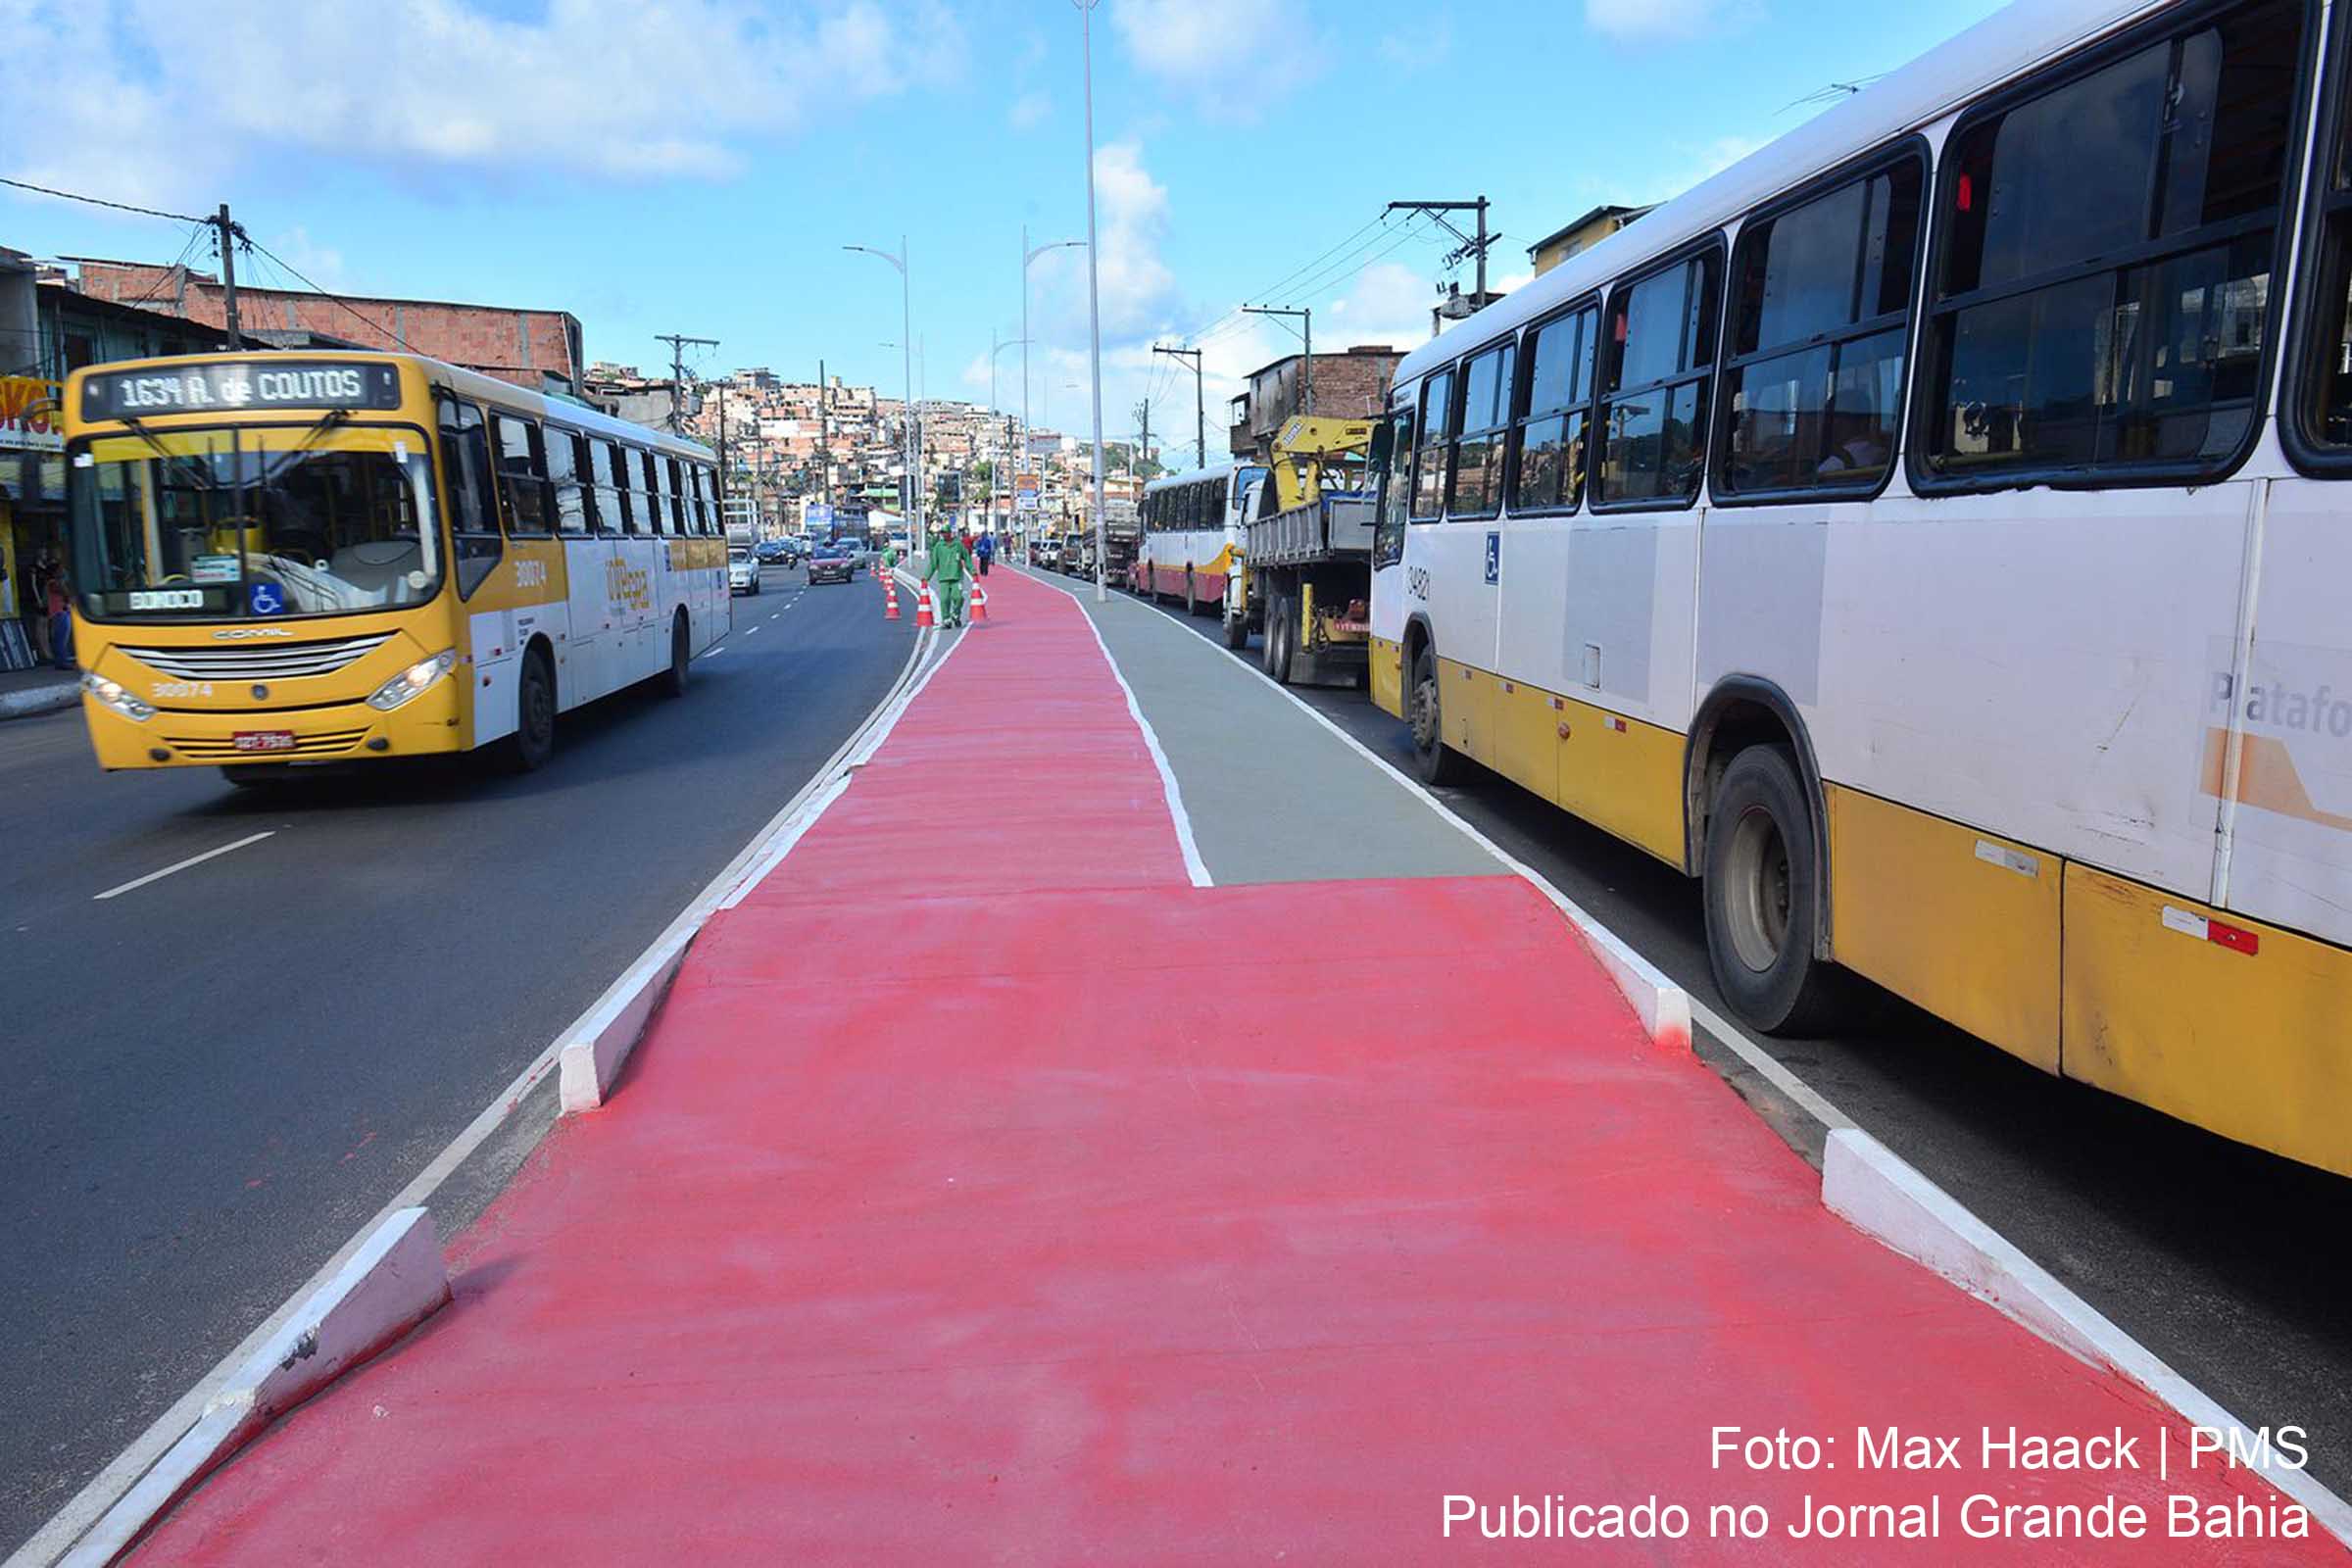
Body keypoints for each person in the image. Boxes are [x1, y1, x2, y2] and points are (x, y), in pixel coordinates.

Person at [924, 526, 975, 627]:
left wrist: (972, 570)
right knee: (944, 599)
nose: (944, 535)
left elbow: (967, 558)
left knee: (958, 598)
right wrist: (926, 577)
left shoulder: (958, 545)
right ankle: (946, 619)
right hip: (944, 578)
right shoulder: (939, 546)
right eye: (942, 533)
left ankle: (956, 614)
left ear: (950, 533)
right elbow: (933, 563)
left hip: (957, 577)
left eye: (945, 532)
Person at [46, 559, 74, 670]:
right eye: (60, 570)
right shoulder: (54, 583)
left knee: (61, 638)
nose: (62, 571)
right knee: (61, 639)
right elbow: (65, 593)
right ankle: (62, 662)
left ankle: (61, 661)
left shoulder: (54, 583)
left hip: (61, 612)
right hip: (59, 612)